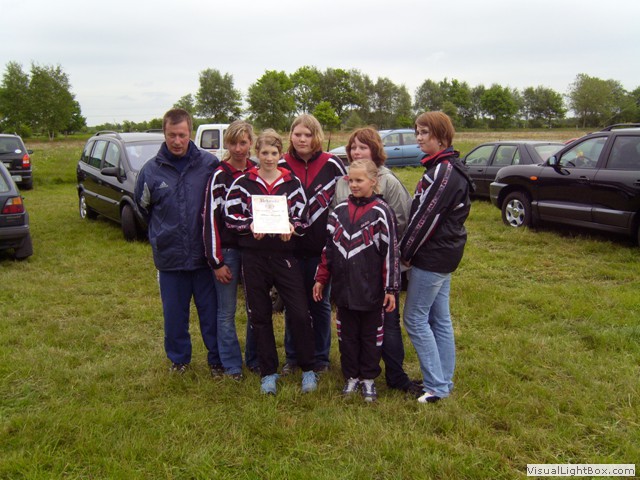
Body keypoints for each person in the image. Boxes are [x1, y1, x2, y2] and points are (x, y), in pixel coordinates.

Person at [224, 129, 318, 395]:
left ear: (280, 154)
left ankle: (308, 368)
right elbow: (230, 215)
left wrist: (292, 226)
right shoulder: (243, 182)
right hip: (253, 256)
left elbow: (304, 217)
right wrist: (249, 225)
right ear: (257, 153)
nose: (268, 158)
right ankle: (268, 372)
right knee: (260, 314)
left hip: (283, 255)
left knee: (299, 312)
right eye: (264, 152)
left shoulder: (291, 182)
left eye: (274, 153)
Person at [333, 127, 422, 397]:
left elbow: (403, 219)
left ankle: (395, 375)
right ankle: (355, 372)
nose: (357, 151)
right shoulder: (343, 182)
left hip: (380, 269)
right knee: (352, 327)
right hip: (350, 272)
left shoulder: (388, 181)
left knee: (387, 325)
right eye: (353, 147)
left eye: (363, 147)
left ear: (375, 150)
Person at [134, 108, 221, 374]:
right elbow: (143, 208)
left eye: (182, 135)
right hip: (170, 258)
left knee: (211, 314)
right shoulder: (151, 171)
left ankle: (217, 360)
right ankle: (179, 360)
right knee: (174, 315)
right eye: (172, 135)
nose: (177, 141)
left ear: (190, 133)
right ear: (164, 133)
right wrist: (161, 234)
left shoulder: (208, 165)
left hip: (204, 258)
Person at [400, 111, 474, 404]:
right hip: (444, 254)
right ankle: (444, 380)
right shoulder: (446, 166)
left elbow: (425, 219)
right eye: (417, 132)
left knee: (415, 318)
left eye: (424, 132)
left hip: (433, 257)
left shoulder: (443, 171)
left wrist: (405, 254)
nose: (419, 138)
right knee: (439, 318)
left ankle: (436, 386)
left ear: (441, 137)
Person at [313, 159, 400, 402]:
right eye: (350, 180)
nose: (354, 185)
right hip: (343, 291)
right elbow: (328, 249)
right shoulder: (339, 210)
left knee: (371, 337)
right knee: (347, 337)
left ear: (373, 181)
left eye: (359, 180)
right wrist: (321, 278)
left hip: (371, 291)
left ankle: (369, 378)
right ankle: (351, 376)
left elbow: (391, 252)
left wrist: (391, 288)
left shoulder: (382, 211)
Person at [279, 114, 347, 375]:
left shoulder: (332, 164)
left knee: (319, 304)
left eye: (308, 134)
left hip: (322, 250)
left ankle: (321, 358)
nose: (302, 139)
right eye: (297, 134)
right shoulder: (281, 163)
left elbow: (344, 205)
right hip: (289, 249)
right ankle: (293, 356)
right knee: (293, 304)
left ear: (316, 136)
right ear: (291, 136)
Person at [203, 120, 258, 378]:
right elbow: (210, 219)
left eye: (243, 143)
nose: (238, 149)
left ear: (250, 143)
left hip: (254, 250)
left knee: (255, 308)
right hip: (228, 252)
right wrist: (216, 261)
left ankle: (255, 359)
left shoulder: (257, 171)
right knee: (226, 311)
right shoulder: (219, 175)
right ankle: (232, 364)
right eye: (233, 143)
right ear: (227, 144)